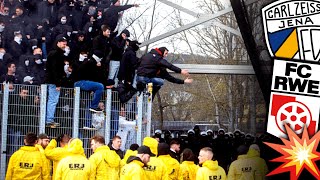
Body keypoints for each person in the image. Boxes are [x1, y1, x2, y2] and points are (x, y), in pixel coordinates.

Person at [45, 36, 68, 128]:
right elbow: (55, 70)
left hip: (52, 80)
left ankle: (49, 119)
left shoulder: (56, 53)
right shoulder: (56, 54)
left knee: (52, 100)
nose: (65, 44)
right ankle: (49, 120)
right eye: (63, 42)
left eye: (65, 43)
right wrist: (58, 83)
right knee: (53, 100)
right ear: (58, 43)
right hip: (53, 82)